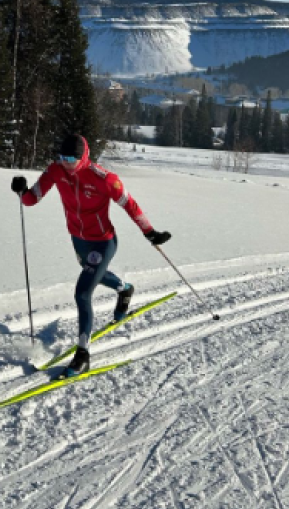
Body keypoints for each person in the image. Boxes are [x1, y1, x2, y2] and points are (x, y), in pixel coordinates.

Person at [11, 134, 171, 378]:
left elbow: (130, 205)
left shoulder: (104, 178)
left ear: (83, 157)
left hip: (103, 241)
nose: (65, 163)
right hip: (78, 239)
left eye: (71, 159)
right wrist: (22, 192)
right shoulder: (55, 170)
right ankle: (124, 288)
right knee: (93, 274)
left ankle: (83, 355)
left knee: (83, 293)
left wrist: (150, 232)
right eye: (62, 157)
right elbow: (32, 199)